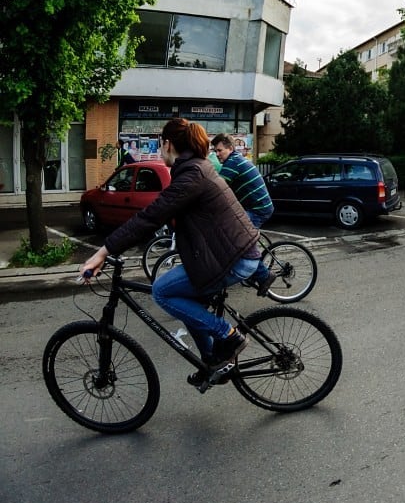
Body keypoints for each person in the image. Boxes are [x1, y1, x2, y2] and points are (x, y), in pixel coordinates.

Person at [80, 118, 260, 381]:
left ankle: (228, 336)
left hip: (232, 258)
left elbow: (150, 216)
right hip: (228, 253)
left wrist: (103, 251)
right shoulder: (195, 168)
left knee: (162, 291)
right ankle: (211, 361)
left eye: (158, 144)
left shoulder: (191, 173)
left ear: (167, 144)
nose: (157, 150)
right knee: (185, 300)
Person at [212, 133, 276, 294]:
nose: (217, 154)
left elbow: (217, 189)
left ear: (230, 148)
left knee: (238, 240)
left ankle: (264, 275)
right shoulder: (233, 161)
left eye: (220, 150)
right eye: (215, 151)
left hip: (258, 209)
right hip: (253, 207)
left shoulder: (233, 162)